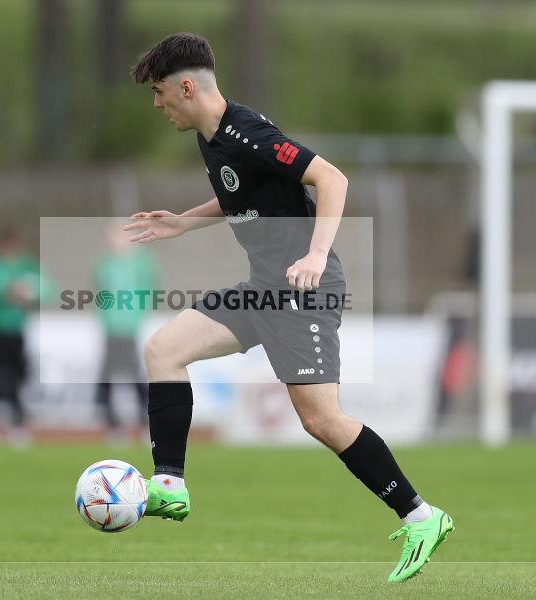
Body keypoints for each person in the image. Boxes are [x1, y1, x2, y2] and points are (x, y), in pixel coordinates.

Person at [126, 33, 453, 583]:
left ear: (186, 88)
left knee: (321, 419)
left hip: (303, 292)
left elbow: (331, 178)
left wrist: (317, 254)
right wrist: (184, 222)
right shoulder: (211, 137)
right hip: (264, 288)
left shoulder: (247, 133)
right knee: (163, 350)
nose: (156, 104)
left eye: (159, 92)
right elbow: (241, 193)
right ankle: (170, 486)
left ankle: (422, 516)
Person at [0, 228, 49, 448]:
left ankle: (16, 423)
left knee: (17, 378)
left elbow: (46, 289)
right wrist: (5, 292)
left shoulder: (25, 268)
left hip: (17, 332)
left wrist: (28, 294)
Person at [93, 222, 158, 440]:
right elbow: (100, 292)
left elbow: (149, 288)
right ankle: (113, 424)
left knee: (133, 375)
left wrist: (136, 316)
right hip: (111, 329)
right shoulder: (105, 263)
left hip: (129, 329)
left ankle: (145, 422)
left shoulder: (140, 263)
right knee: (107, 377)